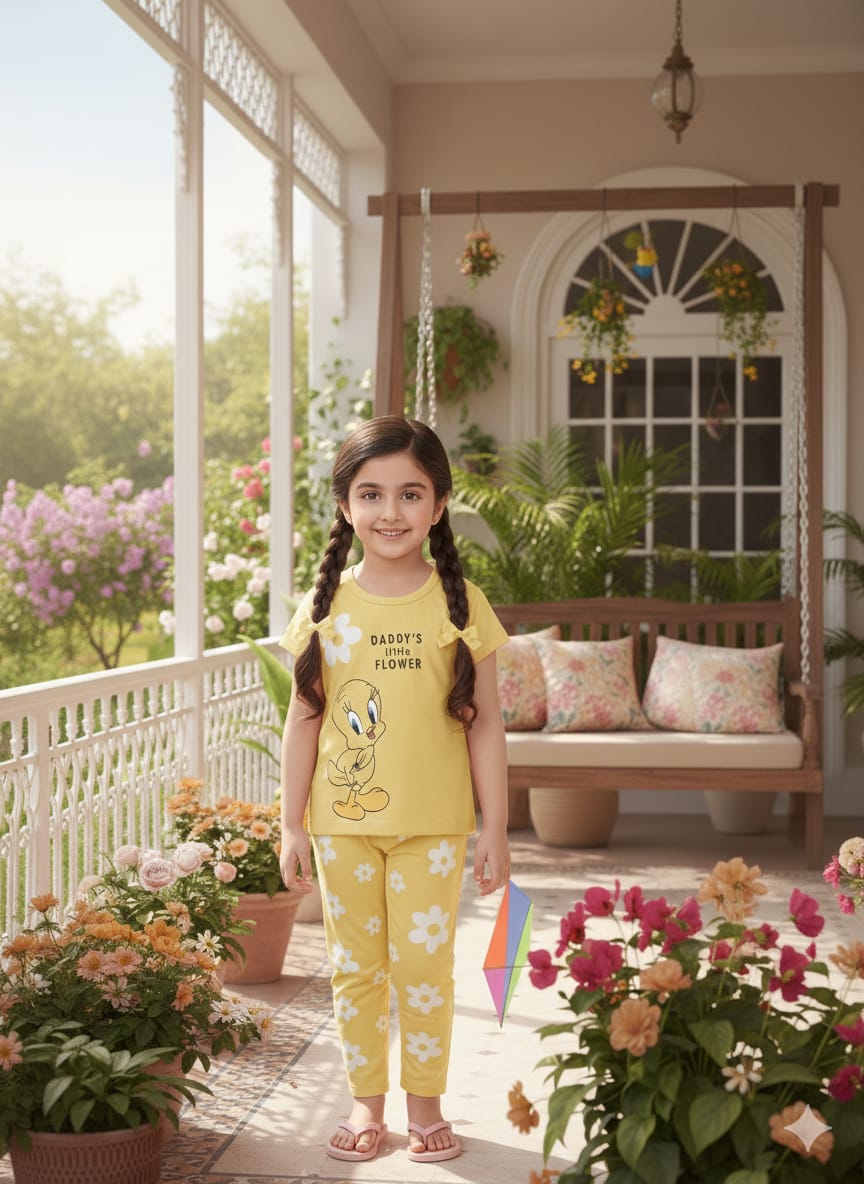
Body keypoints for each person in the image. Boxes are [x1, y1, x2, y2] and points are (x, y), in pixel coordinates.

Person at [278, 415, 510, 1164]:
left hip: (434, 827)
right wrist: (290, 825)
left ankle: (427, 1105)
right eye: (371, 493)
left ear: (438, 505)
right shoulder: (324, 607)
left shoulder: (462, 603)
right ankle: (365, 1101)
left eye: (410, 494)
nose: (390, 511)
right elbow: (304, 721)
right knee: (357, 970)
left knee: (424, 970)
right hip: (341, 827)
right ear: (345, 505)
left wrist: (496, 827)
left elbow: (486, 724)